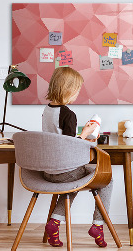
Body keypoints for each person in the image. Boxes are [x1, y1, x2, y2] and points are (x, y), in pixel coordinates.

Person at [42, 67, 113, 248]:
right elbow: (70, 146)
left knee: (72, 183)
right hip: (65, 171)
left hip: (48, 171)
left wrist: (83, 135)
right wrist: (86, 133)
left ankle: (55, 223)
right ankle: (98, 225)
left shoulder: (47, 110)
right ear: (68, 90)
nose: (77, 94)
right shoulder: (68, 114)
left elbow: (59, 139)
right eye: (77, 90)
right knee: (107, 179)